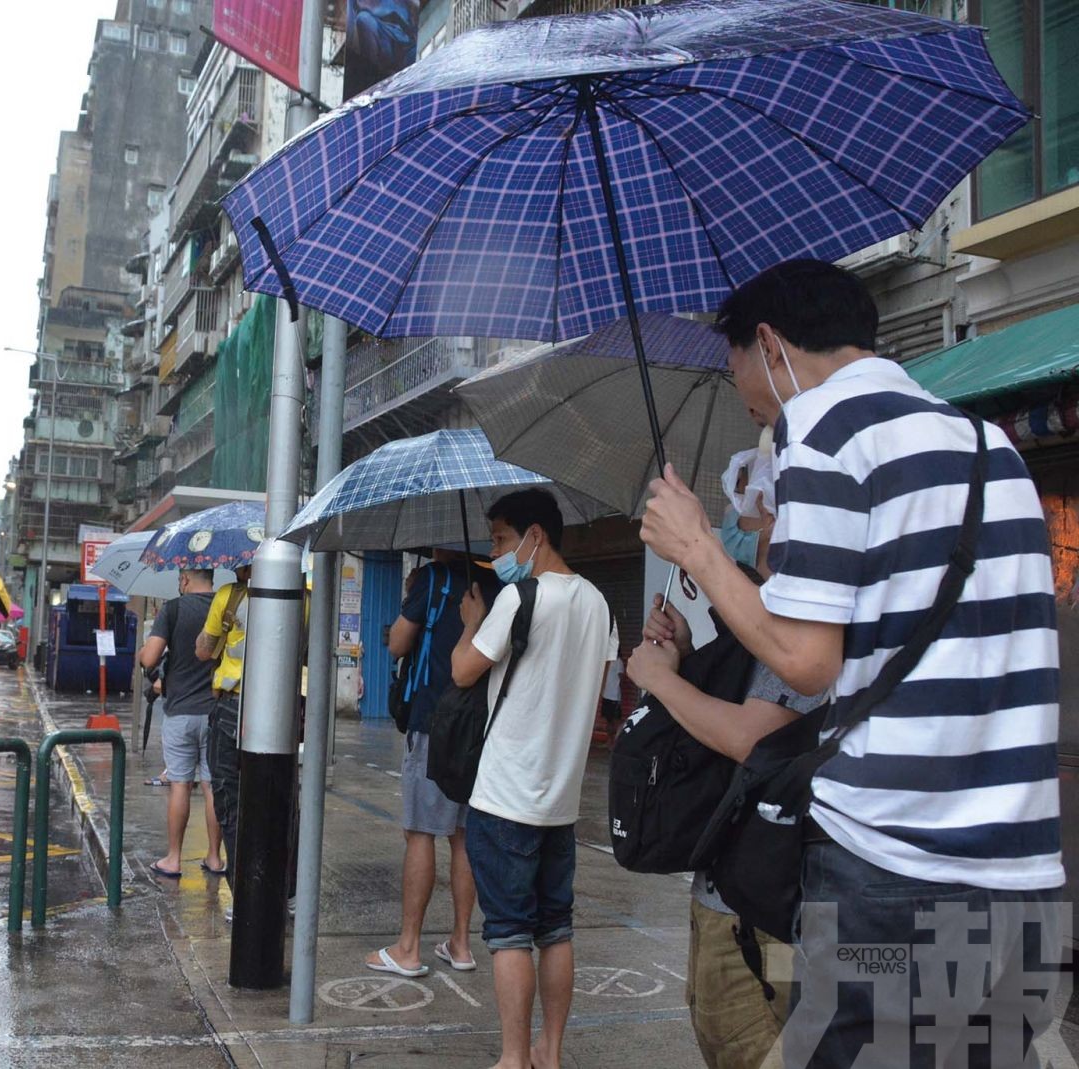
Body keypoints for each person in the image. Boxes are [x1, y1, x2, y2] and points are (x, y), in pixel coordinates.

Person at [640, 259, 1063, 1068]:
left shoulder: (825, 431)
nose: (754, 406)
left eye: (742, 381)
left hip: (888, 876)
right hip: (1020, 880)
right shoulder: (992, 448)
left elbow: (804, 660)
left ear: (770, 345)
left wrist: (697, 545)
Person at [628, 505, 820, 1069]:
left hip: (768, 915)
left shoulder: (807, 620)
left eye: (758, 501)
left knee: (755, 1042)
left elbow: (751, 739)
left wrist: (660, 680)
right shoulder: (763, 621)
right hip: (731, 893)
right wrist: (685, 655)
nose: (745, 516)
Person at [450, 489, 618, 1069]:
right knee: (556, 930)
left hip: (505, 795)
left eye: (500, 539)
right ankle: (550, 1052)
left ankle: (513, 1058)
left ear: (535, 536)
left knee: (509, 933)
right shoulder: (599, 603)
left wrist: (472, 621)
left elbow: (463, 670)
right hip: (562, 800)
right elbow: (593, 696)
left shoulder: (518, 597)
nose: (496, 552)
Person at [366, 549, 498, 979]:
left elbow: (398, 645)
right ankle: (460, 943)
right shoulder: (500, 585)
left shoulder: (434, 580)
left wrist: (413, 601)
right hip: (482, 725)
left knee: (421, 832)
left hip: (433, 723)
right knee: (463, 837)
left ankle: (408, 948)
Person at [138, 569, 224, 880]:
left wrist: (143, 654)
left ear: (185, 578)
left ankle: (174, 859)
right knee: (213, 784)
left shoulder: (173, 609)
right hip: (216, 711)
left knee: (180, 784)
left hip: (180, 711)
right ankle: (215, 858)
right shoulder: (223, 606)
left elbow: (150, 659)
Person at [196, 563, 251, 881]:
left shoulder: (229, 596)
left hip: (233, 705)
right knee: (277, 799)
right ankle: (287, 892)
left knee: (228, 797)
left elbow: (203, 650)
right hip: (286, 708)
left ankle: (241, 886)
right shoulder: (306, 598)